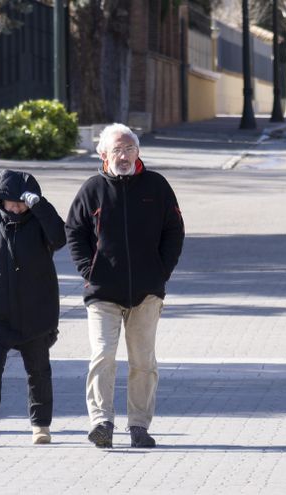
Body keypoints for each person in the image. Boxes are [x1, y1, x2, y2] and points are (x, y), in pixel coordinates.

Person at [65, 123, 184, 449]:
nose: (124, 155)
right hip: (102, 292)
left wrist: (161, 273)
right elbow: (74, 231)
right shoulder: (92, 189)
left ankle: (139, 426)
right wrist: (89, 271)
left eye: (129, 148)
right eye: (117, 149)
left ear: (138, 152)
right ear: (103, 154)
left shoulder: (156, 186)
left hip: (146, 292)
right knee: (103, 355)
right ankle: (101, 422)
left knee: (143, 361)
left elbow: (174, 231)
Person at [0, 169, 66, 447]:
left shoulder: (40, 222)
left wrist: (40, 206)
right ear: (0, 200)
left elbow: (59, 237)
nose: (17, 206)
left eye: (22, 201)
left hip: (36, 310)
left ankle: (40, 426)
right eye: (11, 201)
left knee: (39, 370)